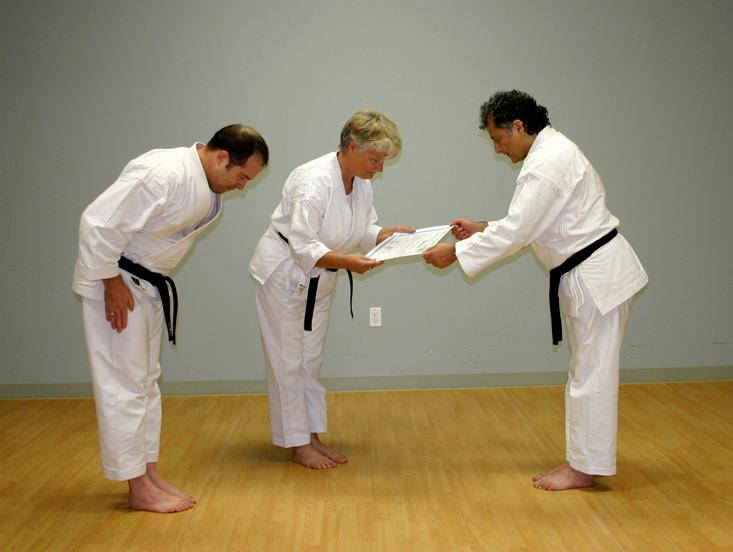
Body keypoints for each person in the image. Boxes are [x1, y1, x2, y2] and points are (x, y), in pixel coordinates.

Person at [423, 90, 648, 491]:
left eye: (499, 138)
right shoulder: (554, 152)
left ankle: (584, 467)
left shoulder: (546, 163)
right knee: (587, 372)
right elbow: (533, 224)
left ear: (520, 127)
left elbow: (520, 231)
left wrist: (457, 252)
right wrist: (481, 228)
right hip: (593, 273)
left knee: (590, 376)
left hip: (596, 277)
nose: (496, 148)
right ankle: (585, 461)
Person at [73, 125, 268, 512]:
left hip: (142, 284)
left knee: (145, 383)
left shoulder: (198, 180)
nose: (242, 187)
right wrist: (110, 280)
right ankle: (136, 486)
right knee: (124, 386)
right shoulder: (162, 173)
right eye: (241, 177)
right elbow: (97, 223)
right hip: (116, 283)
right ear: (220, 157)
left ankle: (148, 472)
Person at [250, 109, 414, 469]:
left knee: (310, 359)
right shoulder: (313, 181)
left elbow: (364, 230)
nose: (379, 168)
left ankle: (311, 435)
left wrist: (386, 236)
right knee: (287, 362)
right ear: (352, 147)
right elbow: (304, 246)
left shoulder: (362, 181)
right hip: (285, 273)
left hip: (321, 276)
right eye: (375, 159)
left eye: (383, 161)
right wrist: (350, 262)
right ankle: (297, 444)